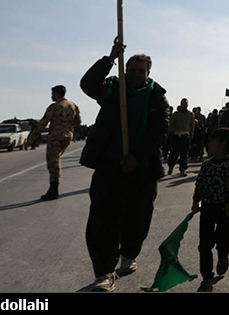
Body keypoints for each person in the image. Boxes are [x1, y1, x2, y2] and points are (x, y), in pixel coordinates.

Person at [79, 37, 170, 292]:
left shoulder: (157, 97)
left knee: (137, 219)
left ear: (148, 73)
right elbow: (88, 84)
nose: (136, 75)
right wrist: (110, 58)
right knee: (102, 220)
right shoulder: (113, 90)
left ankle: (129, 255)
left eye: (141, 71)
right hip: (109, 167)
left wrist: (137, 156)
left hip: (141, 170)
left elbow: (160, 131)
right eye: (131, 70)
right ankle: (104, 272)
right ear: (125, 70)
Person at [192, 128, 229, 292]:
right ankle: (207, 277)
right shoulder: (206, 165)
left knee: (224, 239)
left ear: (222, 144)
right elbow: (199, 184)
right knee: (205, 245)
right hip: (207, 208)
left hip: (224, 209)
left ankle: (223, 255)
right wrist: (196, 200)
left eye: (212, 141)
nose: (208, 144)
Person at [27, 85, 81, 201]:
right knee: (56, 159)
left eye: (52, 94)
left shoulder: (54, 107)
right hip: (67, 136)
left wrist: (30, 140)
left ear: (56, 94)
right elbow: (78, 121)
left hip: (56, 137)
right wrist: (67, 127)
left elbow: (42, 124)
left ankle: (53, 189)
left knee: (53, 162)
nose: (51, 96)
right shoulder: (73, 105)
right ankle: (53, 189)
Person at [167, 98, 194, 176]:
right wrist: (173, 131)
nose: (184, 105)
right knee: (174, 152)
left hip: (185, 136)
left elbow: (192, 125)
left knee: (184, 153)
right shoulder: (176, 114)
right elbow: (171, 124)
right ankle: (171, 167)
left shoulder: (190, 114)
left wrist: (191, 134)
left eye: (185, 103)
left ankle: (183, 169)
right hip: (176, 136)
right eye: (183, 103)